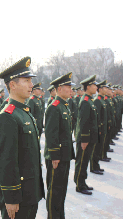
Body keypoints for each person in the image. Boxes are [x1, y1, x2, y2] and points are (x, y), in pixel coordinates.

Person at [0, 57, 44, 219]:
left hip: (30, 191)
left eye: (31, 81)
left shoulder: (23, 111)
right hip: (18, 196)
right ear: (13, 85)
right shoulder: (8, 116)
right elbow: (6, 161)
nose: (31, 85)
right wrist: (11, 198)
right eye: (27, 80)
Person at [45, 72, 75, 219]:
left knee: (62, 189)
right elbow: (51, 134)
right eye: (68, 86)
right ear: (59, 88)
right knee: (54, 190)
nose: (71, 89)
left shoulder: (64, 106)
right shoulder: (54, 107)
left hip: (65, 155)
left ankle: (59, 215)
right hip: (57, 157)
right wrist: (54, 155)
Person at [74, 75, 98, 195]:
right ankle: (79, 184)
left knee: (85, 161)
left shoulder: (89, 100)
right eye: (94, 85)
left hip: (89, 138)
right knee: (82, 161)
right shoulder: (85, 101)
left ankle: (83, 182)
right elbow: (83, 122)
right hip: (85, 139)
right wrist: (84, 139)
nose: (96, 87)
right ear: (88, 87)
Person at [90, 80, 108, 175]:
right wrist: (99, 129)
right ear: (100, 89)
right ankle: (94, 166)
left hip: (102, 128)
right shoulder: (97, 100)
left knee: (99, 148)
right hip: (99, 129)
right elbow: (97, 117)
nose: (107, 90)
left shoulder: (101, 99)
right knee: (96, 149)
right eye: (105, 88)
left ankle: (96, 165)